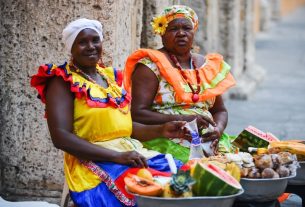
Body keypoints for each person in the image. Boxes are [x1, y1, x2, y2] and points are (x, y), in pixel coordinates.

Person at [30, 18, 190, 207]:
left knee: (184, 180)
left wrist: (162, 129)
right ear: (71, 47)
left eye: (95, 40)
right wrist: (117, 157)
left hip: (130, 153)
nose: (91, 46)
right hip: (92, 162)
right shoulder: (62, 81)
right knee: (151, 192)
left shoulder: (110, 77)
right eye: (82, 42)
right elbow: (61, 138)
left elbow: (123, 128)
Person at [124, 5, 236, 163]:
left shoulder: (207, 66)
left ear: (194, 32)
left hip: (209, 139)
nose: (181, 33)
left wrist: (217, 129)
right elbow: (136, 113)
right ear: (162, 34)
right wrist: (184, 119)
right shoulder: (150, 67)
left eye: (186, 28)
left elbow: (220, 110)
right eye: (173, 29)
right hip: (167, 139)